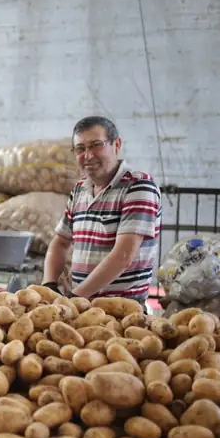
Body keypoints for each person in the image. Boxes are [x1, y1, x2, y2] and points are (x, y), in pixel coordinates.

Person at [42, 116, 162, 304]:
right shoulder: (80, 189)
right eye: (80, 149)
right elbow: (60, 242)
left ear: (117, 144)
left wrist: (75, 296)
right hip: (82, 307)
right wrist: (48, 285)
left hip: (121, 313)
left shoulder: (138, 186)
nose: (88, 156)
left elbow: (123, 256)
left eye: (96, 145)